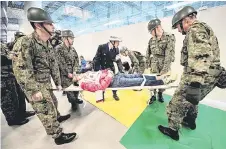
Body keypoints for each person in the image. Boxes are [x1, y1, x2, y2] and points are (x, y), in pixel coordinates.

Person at [12, 7, 77, 145]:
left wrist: (58, 82)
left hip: (46, 82)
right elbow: (21, 69)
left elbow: (53, 64)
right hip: (35, 84)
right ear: (38, 25)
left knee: (53, 104)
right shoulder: (25, 42)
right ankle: (57, 136)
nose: (53, 26)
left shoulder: (46, 43)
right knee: (46, 111)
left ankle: (56, 118)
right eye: (49, 23)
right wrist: (33, 90)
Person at [158, 6, 224, 141]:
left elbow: (201, 56)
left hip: (199, 74)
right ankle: (190, 120)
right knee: (192, 100)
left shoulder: (194, 30)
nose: (178, 30)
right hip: (210, 74)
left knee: (176, 103)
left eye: (178, 26)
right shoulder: (204, 27)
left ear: (185, 21)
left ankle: (172, 130)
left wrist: (195, 82)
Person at [72, 69, 175, 102]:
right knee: (140, 81)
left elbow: (101, 72)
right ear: (76, 81)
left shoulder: (86, 75)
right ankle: (163, 81)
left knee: (139, 75)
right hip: (115, 82)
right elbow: (100, 87)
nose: (77, 75)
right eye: (75, 76)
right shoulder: (84, 84)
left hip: (116, 76)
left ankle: (161, 77)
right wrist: (109, 74)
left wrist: (108, 71)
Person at [1, 41, 35, 126]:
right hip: (2, 77)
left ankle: (21, 113)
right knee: (8, 99)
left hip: (11, 74)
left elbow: (7, 51)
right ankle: (12, 120)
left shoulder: (1, 43)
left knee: (18, 95)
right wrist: (10, 57)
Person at [146, 18, 176, 104]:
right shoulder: (151, 40)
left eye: (151, 31)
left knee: (163, 81)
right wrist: (147, 65)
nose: (151, 33)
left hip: (164, 63)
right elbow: (148, 52)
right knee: (152, 81)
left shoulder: (169, 37)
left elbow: (169, 54)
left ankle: (160, 93)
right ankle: (152, 95)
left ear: (157, 28)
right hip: (154, 63)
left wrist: (165, 69)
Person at [55, 30, 83, 110]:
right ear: (65, 39)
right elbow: (60, 63)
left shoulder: (72, 49)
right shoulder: (58, 49)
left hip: (73, 73)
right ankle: (73, 102)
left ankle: (76, 99)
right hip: (65, 75)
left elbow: (76, 60)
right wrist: (68, 74)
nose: (73, 40)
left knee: (76, 88)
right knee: (69, 91)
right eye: (71, 38)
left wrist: (74, 71)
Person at [93, 36, 124, 101]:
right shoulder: (101, 47)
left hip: (111, 69)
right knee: (102, 83)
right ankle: (102, 95)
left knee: (114, 82)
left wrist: (121, 70)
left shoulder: (117, 49)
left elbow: (118, 61)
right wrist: (96, 70)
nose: (118, 44)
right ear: (112, 42)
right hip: (102, 69)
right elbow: (96, 59)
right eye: (117, 42)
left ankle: (114, 94)